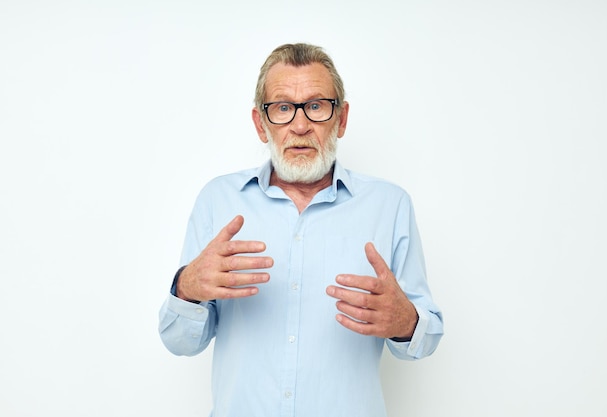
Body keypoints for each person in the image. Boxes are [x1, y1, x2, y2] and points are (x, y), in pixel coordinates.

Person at [158, 43, 443, 417]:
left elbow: (425, 339)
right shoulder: (218, 200)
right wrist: (187, 288)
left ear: (340, 119)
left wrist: (406, 321)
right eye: (282, 108)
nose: (300, 125)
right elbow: (179, 342)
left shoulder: (389, 206)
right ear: (261, 124)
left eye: (316, 106)